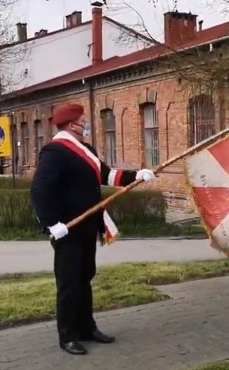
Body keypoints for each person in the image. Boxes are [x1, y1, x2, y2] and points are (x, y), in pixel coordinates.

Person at [30, 103, 155, 355]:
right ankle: (68, 335)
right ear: (71, 125)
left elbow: (105, 175)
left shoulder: (85, 149)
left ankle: (87, 327)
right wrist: (52, 223)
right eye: (82, 122)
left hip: (88, 227)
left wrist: (137, 176)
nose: (85, 125)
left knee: (85, 278)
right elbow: (40, 189)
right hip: (67, 229)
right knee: (68, 283)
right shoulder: (55, 151)